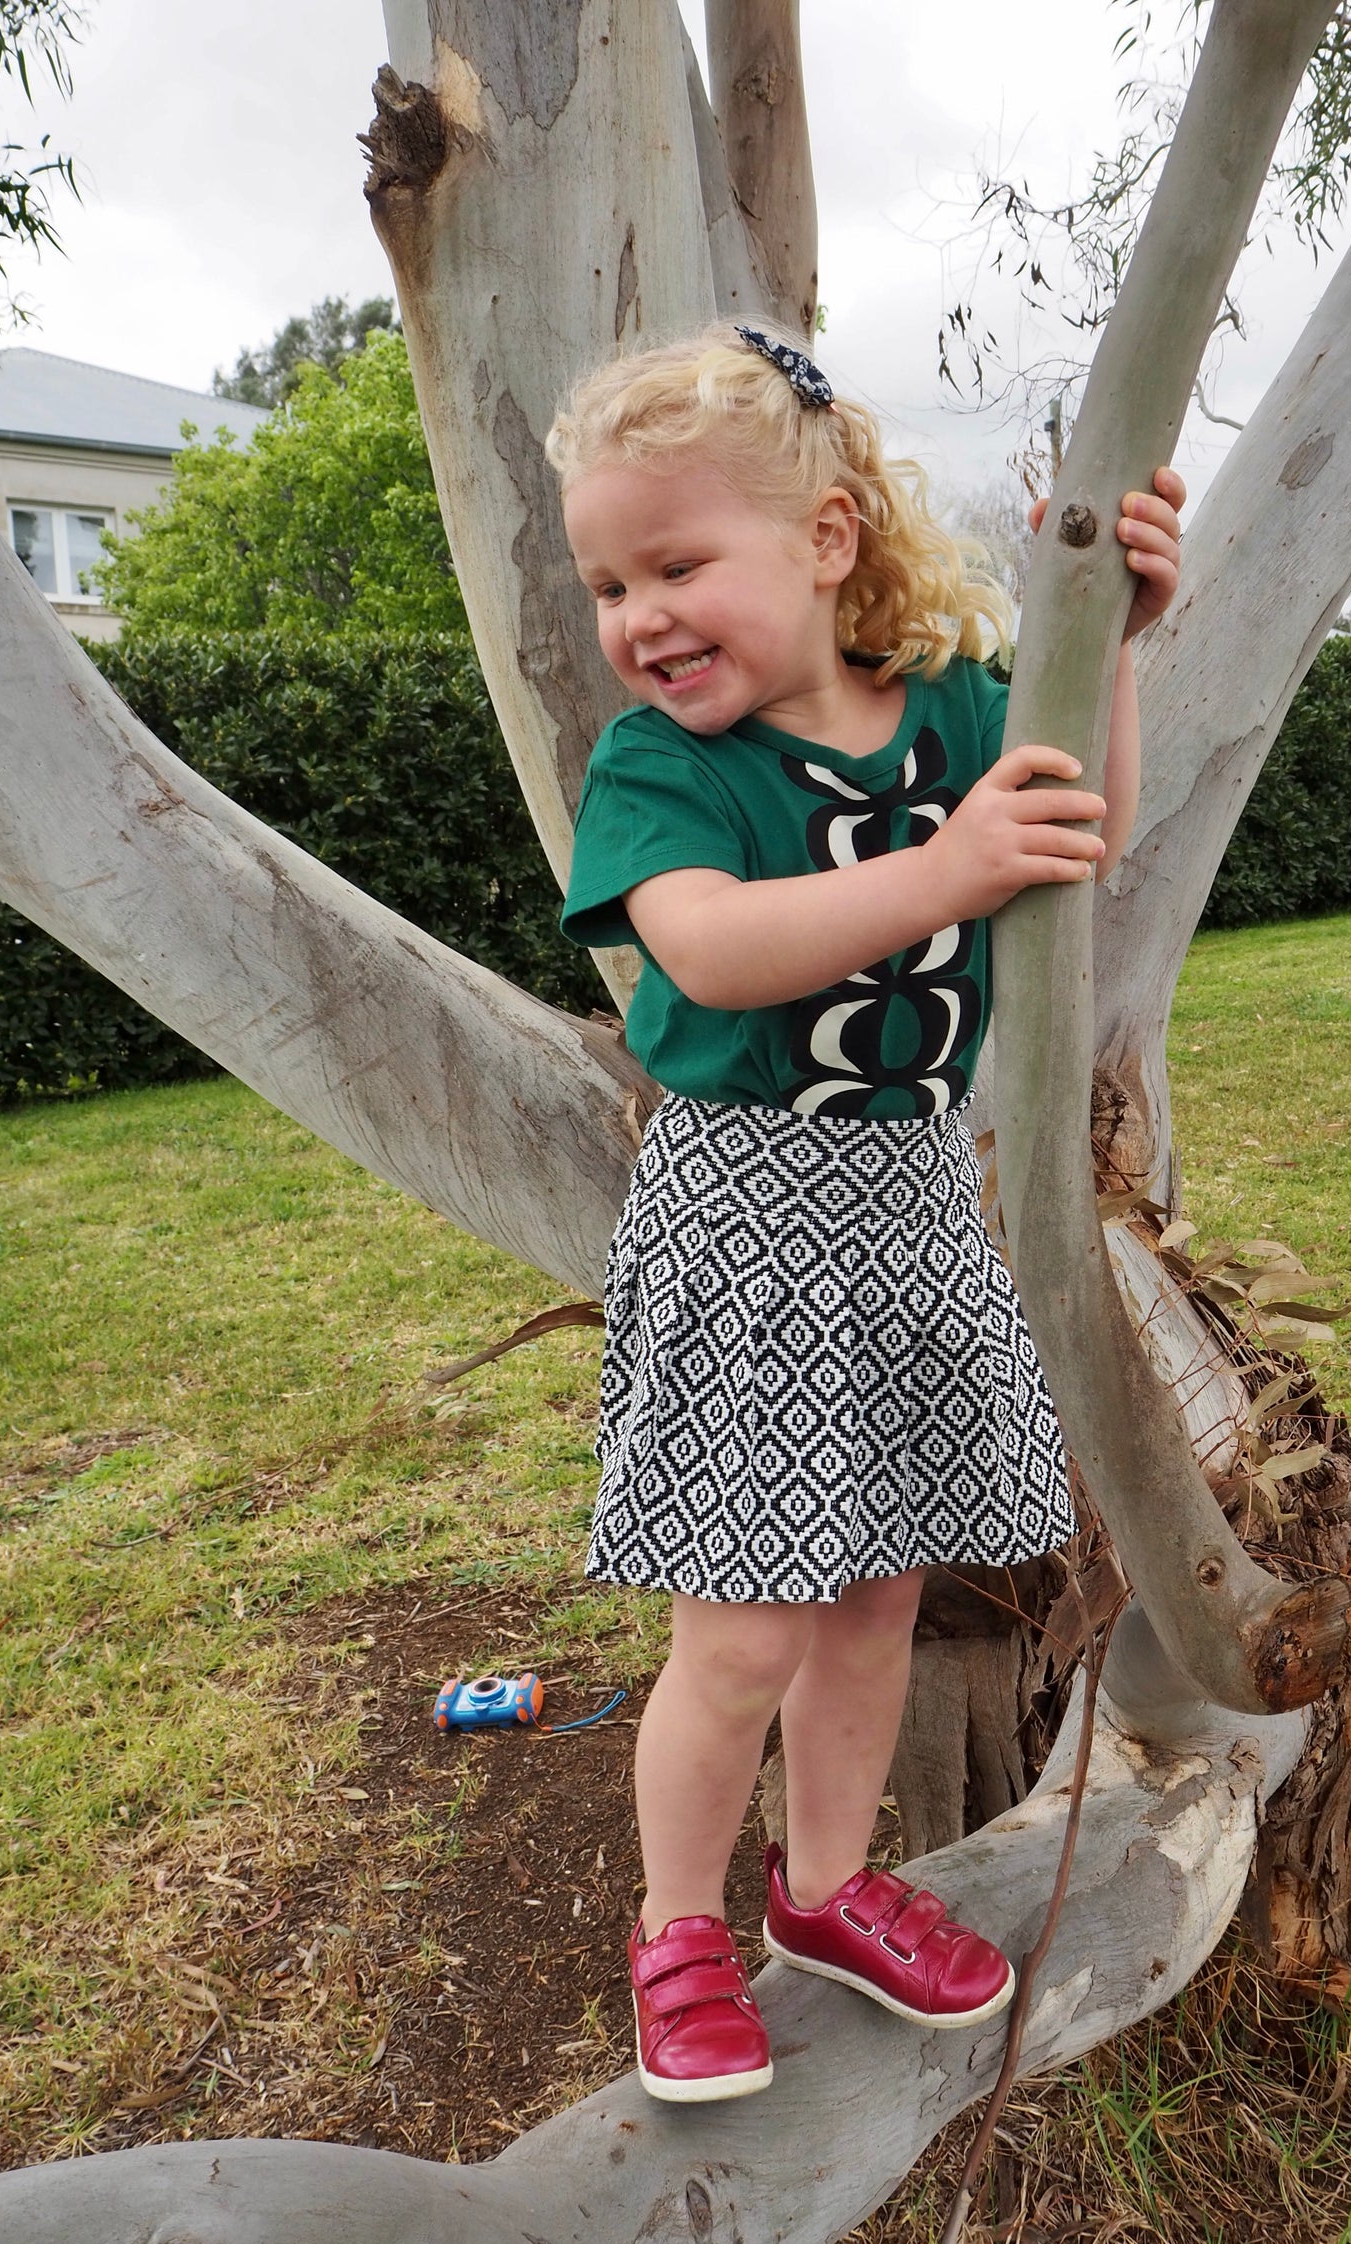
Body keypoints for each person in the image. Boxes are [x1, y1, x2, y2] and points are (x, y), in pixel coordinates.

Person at [550, 323, 1184, 2104]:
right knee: (739, 1627)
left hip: (908, 1196)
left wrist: (1115, 652)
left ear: (827, 541)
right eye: (611, 580)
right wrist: (942, 868)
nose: (639, 613)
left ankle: (824, 1888)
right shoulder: (665, 769)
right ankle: (680, 1927)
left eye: (678, 562)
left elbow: (1082, 823)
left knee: (877, 1604)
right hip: (747, 1212)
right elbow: (710, 946)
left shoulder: (960, 710)